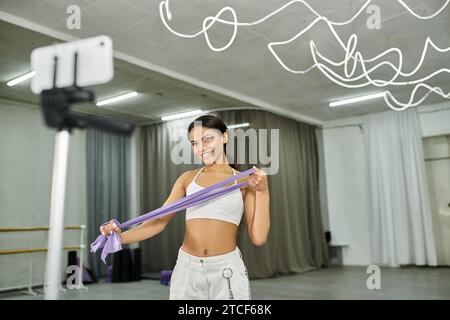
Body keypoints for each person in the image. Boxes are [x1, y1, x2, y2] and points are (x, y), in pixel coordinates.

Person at [100, 114, 270, 299]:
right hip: (187, 270)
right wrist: (119, 237)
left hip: (227, 269)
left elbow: (259, 237)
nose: (201, 148)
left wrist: (263, 192)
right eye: (194, 143)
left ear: (225, 137)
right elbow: (158, 221)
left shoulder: (245, 181)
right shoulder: (187, 179)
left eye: (207, 139)